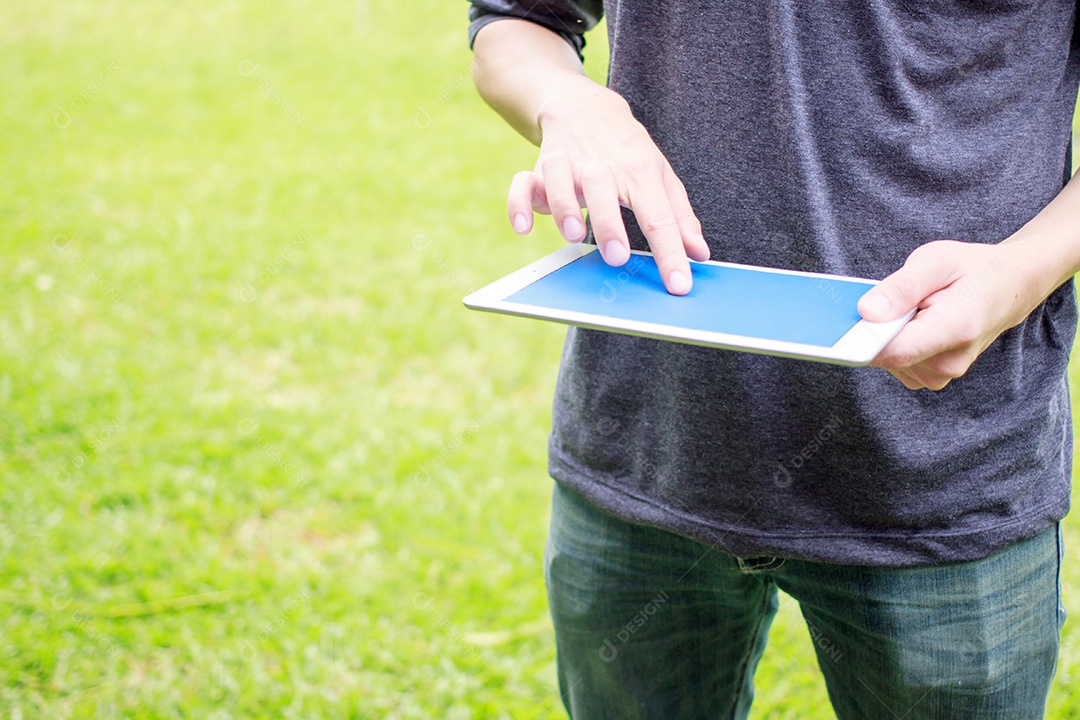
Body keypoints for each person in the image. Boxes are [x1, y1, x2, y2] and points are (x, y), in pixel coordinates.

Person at [467, 2, 1080, 718]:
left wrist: (1020, 273)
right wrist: (569, 102)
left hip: (940, 474)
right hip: (646, 444)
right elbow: (516, 21)